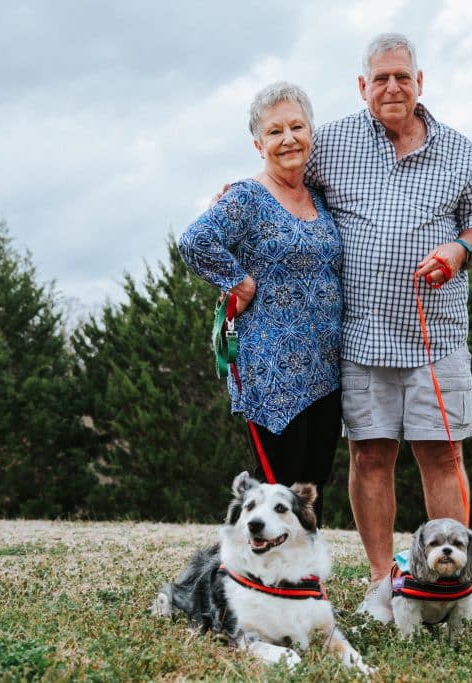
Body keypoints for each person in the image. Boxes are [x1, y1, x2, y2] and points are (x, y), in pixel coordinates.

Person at [304, 33, 472, 617]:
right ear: (362, 86)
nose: (392, 87)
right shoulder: (333, 142)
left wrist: (461, 250)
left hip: (435, 336)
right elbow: (284, 175)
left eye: (403, 77)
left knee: (443, 456)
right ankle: (380, 581)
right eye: (380, 78)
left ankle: (453, 583)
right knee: (369, 457)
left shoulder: (457, 150)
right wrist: (241, 196)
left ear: (420, 82)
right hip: (361, 337)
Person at [179, 82, 343, 526]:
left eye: (296, 126)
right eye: (275, 131)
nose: (288, 138)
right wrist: (239, 282)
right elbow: (195, 240)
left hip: (325, 369)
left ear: (311, 132)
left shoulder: (320, 196)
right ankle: (266, 584)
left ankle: (305, 581)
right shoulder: (248, 197)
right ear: (258, 144)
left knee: (311, 487)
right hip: (271, 372)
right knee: (277, 490)